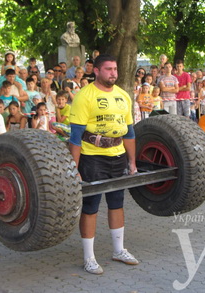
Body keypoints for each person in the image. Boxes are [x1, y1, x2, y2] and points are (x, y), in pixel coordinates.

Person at [69, 54, 138, 275]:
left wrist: (132, 161)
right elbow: (75, 136)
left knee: (117, 203)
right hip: (92, 157)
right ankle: (89, 257)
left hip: (117, 156)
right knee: (91, 207)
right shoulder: (84, 96)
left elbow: (129, 131)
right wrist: (74, 169)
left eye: (115, 69)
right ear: (96, 71)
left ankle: (118, 250)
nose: (113, 73)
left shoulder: (123, 96)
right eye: (108, 69)